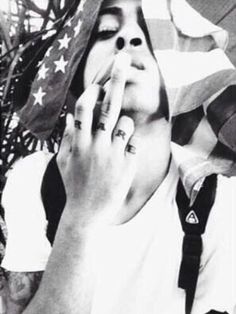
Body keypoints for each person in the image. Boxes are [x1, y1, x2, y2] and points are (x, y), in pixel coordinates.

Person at [1, 0, 236, 313]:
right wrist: (81, 217)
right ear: (77, 77)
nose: (129, 38)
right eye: (105, 31)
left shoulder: (220, 203)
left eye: (153, 32)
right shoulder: (36, 181)